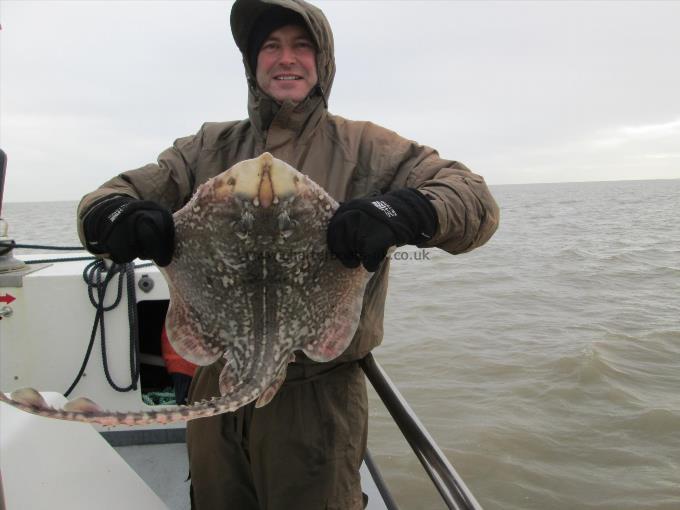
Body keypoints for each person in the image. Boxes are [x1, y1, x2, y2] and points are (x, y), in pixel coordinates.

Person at [77, 0, 500, 508]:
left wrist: (405, 210)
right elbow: (106, 199)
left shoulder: (367, 147)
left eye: (302, 46)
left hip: (316, 400)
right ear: (252, 64)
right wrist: (116, 218)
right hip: (218, 382)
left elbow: (474, 200)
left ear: (322, 61)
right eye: (271, 47)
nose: (286, 59)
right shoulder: (209, 147)